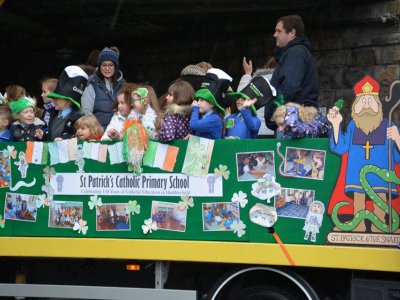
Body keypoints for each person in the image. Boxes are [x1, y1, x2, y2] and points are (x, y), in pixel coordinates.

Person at [327, 75, 400, 232]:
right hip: (357, 175)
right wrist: (336, 124)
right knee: (358, 201)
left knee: (380, 199)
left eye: (370, 101)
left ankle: (380, 225)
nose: (366, 105)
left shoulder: (389, 126)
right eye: (363, 101)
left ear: (378, 105)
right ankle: (358, 225)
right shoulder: (353, 126)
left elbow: (397, 157)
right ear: (356, 106)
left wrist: (397, 138)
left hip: (380, 177)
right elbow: (340, 147)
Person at [266, 15, 319, 134]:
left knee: (286, 153)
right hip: (293, 120)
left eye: (279, 31)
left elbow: (290, 88)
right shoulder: (297, 53)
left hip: (290, 123)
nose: (275, 35)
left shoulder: (295, 53)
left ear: (292, 33)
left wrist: (274, 113)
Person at [81, 47, 126, 130]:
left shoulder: (124, 86)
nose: (107, 68)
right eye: (104, 65)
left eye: (110, 65)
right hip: (98, 136)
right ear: (99, 66)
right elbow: (86, 112)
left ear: (115, 67)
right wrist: (99, 131)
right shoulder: (91, 85)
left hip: (121, 135)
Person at [43, 66, 88, 141]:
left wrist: (64, 139)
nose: (54, 100)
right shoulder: (53, 114)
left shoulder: (78, 118)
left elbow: (78, 136)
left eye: (57, 98)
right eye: (54, 98)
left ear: (68, 100)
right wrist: (43, 136)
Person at [239, 57, 276, 137]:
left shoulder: (256, 81)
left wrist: (247, 74)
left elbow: (240, 96)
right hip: (272, 130)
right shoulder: (281, 82)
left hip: (253, 128)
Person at [190, 68, 232, 140]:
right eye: (198, 100)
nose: (198, 103)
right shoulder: (205, 116)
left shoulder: (214, 119)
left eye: (202, 100)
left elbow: (194, 125)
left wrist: (195, 109)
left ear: (212, 104)